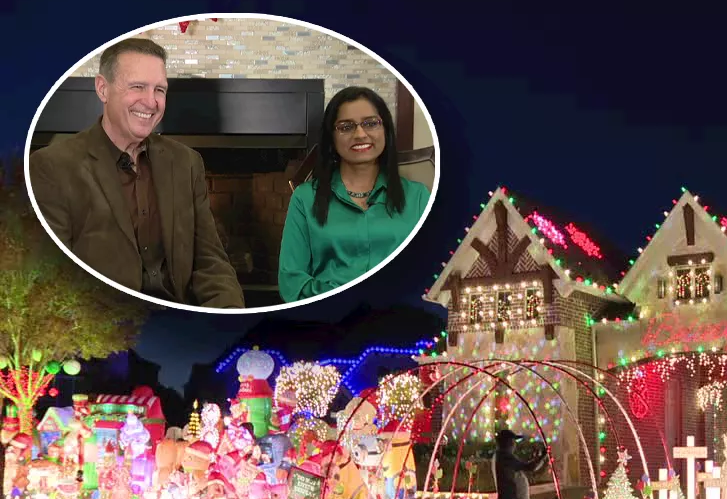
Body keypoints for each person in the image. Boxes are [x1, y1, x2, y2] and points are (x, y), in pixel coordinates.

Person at [27, 37, 245, 308]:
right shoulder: (52, 167)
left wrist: (227, 318)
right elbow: (48, 280)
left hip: (180, 324)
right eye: (138, 87)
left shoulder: (187, 162)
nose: (151, 102)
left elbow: (210, 261)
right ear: (103, 89)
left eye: (160, 90)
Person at [277, 86, 431, 302]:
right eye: (346, 126)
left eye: (371, 123)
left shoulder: (418, 197)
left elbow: (434, 271)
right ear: (331, 137)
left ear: (385, 130)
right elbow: (291, 282)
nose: (360, 134)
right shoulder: (305, 199)